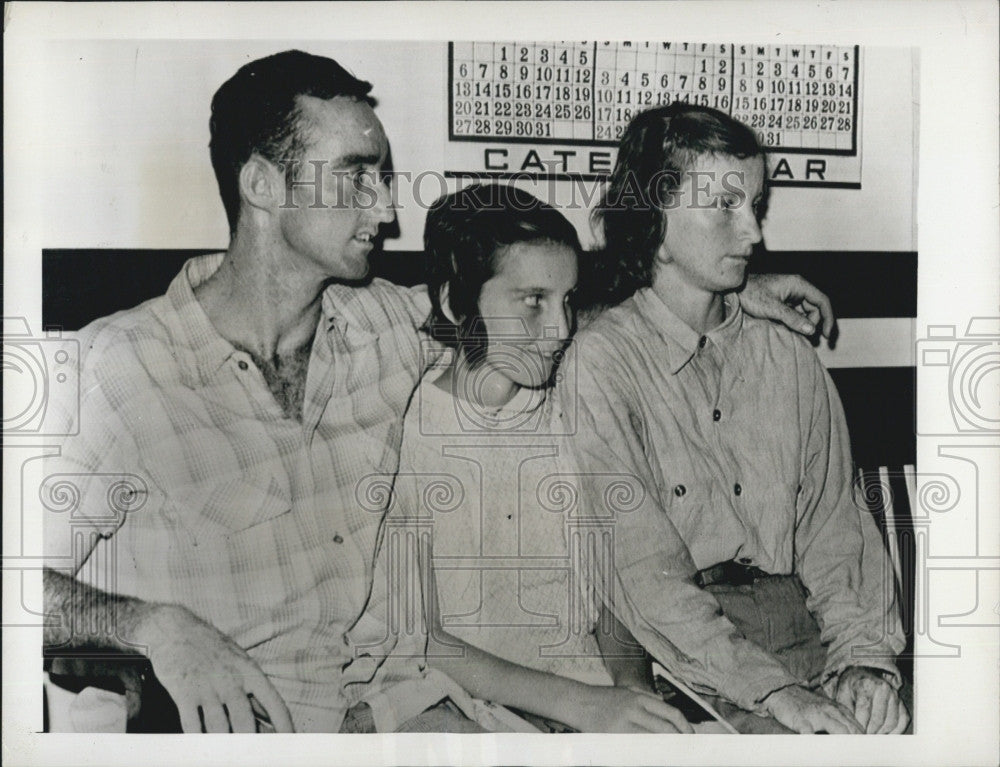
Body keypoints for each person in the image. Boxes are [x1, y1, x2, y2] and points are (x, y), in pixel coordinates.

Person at [41, 49, 837, 734]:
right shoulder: (118, 368)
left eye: (384, 179)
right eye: (356, 179)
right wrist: (151, 626)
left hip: (398, 717)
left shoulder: (381, 325)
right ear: (260, 183)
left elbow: (529, 312)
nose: (387, 210)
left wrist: (725, 290)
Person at [562, 103, 909, 734]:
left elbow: (836, 533)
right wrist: (775, 693)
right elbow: (645, 575)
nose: (752, 232)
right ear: (654, 218)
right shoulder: (603, 362)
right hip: (684, 658)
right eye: (723, 205)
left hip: (808, 632)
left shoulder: (787, 355)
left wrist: (864, 663)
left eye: (754, 204)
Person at [378, 183, 692, 733]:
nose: (561, 329)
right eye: (533, 302)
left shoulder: (574, 409)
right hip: (478, 711)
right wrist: (582, 706)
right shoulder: (404, 433)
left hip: (595, 701)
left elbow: (610, 595)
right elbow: (425, 636)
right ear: (456, 302)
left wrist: (634, 694)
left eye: (567, 300)